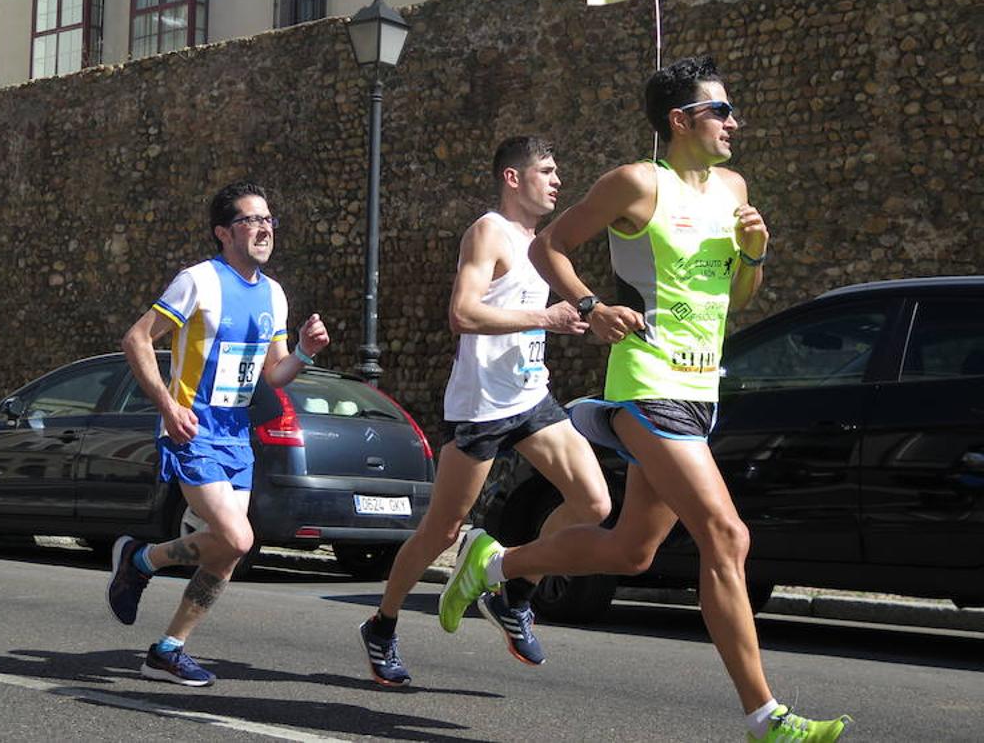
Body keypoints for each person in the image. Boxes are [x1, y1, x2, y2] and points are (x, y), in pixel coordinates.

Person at [437, 58, 852, 741]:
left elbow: (736, 300)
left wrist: (753, 253)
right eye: (721, 111)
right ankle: (764, 717)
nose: (734, 122)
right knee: (727, 534)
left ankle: (495, 562)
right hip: (647, 383)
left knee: (631, 551)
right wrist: (592, 306)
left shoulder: (734, 188)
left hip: (700, 391)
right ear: (681, 120)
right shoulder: (635, 183)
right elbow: (549, 247)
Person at [358, 135, 612, 687]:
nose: (557, 180)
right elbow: (463, 313)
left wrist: (577, 322)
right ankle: (382, 624)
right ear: (513, 178)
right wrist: (543, 319)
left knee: (593, 501)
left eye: (557, 170)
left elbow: (537, 313)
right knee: (442, 530)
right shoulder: (488, 232)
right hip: (481, 406)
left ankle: (514, 591)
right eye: (546, 170)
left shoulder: (543, 242)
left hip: (531, 395)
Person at [106, 180, 329, 687]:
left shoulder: (273, 292)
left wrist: (304, 353)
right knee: (237, 536)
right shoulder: (199, 281)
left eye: (269, 219)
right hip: (193, 431)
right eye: (252, 220)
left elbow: (273, 374)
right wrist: (167, 406)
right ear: (224, 232)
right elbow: (136, 339)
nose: (265, 228)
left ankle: (165, 641)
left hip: (235, 435)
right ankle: (139, 562)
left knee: (228, 549)